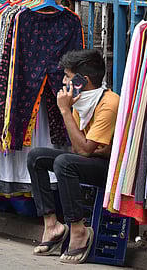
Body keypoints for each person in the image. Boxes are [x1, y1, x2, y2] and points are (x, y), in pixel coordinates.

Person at [27, 49, 119, 264]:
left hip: (110, 169)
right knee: (36, 157)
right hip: (91, 160)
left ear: (82, 80)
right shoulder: (81, 101)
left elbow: (84, 150)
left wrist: (65, 111)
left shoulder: (109, 103)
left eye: (68, 76)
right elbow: (82, 148)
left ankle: (79, 229)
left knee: (64, 162)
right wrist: (90, 146)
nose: (63, 81)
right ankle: (52, 226)